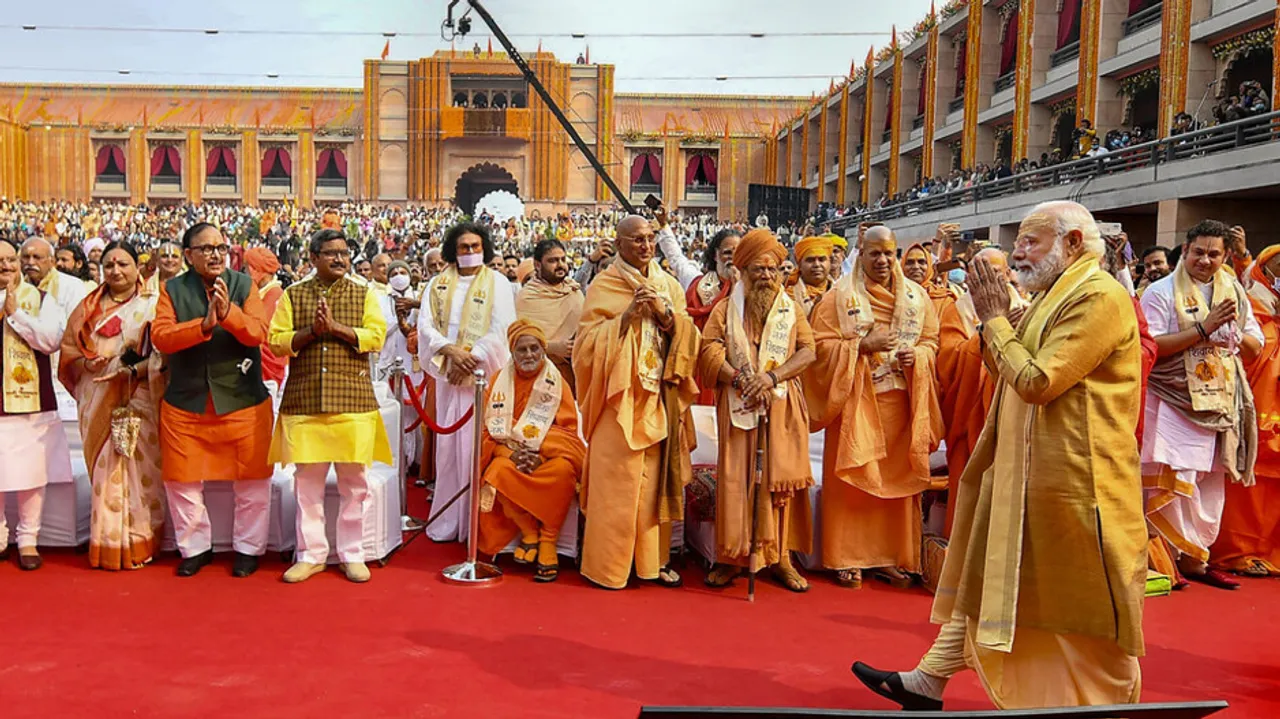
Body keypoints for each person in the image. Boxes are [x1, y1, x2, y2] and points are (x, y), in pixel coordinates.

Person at [852, 200, 1147, 710]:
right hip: (1028, 472)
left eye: (1030, 241)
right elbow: (1009, 363)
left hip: (1079, 481)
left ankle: (1114, 701)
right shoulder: (1054, 295)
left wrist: (993, 322)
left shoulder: (1100, 297)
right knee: (992, 580)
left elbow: (1037, 380)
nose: (1018, 253)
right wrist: (999, 327)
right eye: (1020, 241)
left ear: (1073, 243)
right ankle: (928, 680)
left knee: (1084, 606)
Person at [804, 225, 943, 589]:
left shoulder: (916, 297)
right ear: (860, 255)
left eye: (888, 253)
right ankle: (846, 557)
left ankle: (890, 556)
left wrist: (921, 355)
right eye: (874, 253)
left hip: (900, 401)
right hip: (854, 400)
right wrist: (862, 346)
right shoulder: (838, 298)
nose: (882, 261)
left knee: (895, 481)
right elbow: (819, 348)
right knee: (852, 480)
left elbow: (931, 340)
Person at [574, 214, 700, 589]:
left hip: (658, 395)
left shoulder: (668, 284)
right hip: (619, 399)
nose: (645, 246)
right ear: (619, 245)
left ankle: (650, 562)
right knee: (617, 483)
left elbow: (688, 335)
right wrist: (625, 319)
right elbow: (583, 347)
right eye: (637, 240)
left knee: (651, 484)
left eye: (649, 239)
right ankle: (607, 566)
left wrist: (665, 317)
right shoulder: (604, 284)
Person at [1141, 219, 1262, 590]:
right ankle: (1163, 561)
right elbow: (1152, 347)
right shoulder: (1160, 292)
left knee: (1209, 482)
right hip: (1172, 399)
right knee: (1170, 479)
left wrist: (1235, 335)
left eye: (1214, 254)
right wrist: (1205, 329)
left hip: (1218, 399)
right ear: (1185, 250)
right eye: (1198, 252)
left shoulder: (1235, 293)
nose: (1205, 261)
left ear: (1225, 257)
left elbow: (1256, 343)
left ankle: (1195, 560)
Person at [151, 222, 274, 578]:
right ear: (188, 255)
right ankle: (195, 548)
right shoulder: (171, 290)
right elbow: (162, 337)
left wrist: (228, 314)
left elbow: (258, 333)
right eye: (205, 249)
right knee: (181, 482)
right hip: (186, 404)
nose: (215, 254)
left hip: (242, 400)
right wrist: (203, 326)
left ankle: (249, 549)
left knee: (252, 482)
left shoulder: (243, 284)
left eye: (220, 247)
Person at [268, 229, 391, 584]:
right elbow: (276, 342)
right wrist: (310, 333)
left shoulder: (364, 294)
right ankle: (311, 554)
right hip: (305, 400)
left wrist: (336, 329)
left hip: (352, 401)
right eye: (331, 253)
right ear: (312, 258)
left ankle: (352, 553)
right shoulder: (293, 295)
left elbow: (376, 336)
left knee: (355, 483)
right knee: (307, 485)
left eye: (344, 253)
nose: (340, 259)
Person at [697, 228, 816, 591]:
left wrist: (772, 377)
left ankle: (780, 557)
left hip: (780, 405)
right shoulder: (724, 309)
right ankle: (733, 557)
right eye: (757, 270)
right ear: (742, 272)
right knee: (737, 481)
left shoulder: (790, 308)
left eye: (772, 270)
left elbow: (808, 351)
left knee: (778, 483)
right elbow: (707, 351)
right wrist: (738, 378)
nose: (765, 276)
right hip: (739, 404)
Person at [59, 241, 165, 570]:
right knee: (106, 470)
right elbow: (69, 349)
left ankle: (138, 540)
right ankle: (107, 543)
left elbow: (162, 352)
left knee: (140, 471)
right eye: (109, 266)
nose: (116, 271)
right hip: (96, 394)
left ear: (137, 267)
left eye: (123, 264)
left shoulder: (153, 303)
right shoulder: (89, 305)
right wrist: (88, 365)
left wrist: (132, 369)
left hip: (138, 394)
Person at [417, 222, 516, 542]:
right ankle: (449, 521)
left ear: (484, 249)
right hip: (449, 376)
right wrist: (449, 352)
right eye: (464, 247)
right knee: (449, 450)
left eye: (476, 247)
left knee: (479, 449)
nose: (471, 252)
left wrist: (471, 359)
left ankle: (480, 526)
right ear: (453, 251)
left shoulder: (498, 283)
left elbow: (502, 327)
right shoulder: (438, 284)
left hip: (482, 379)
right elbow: (426, 326)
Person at [476, 320, 586, 582]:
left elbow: (568, 433)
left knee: (563, 471)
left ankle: (549, 540)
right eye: (522, 350)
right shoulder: (497, 381)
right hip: (511, 455)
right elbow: (486, 430)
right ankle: (530, 533)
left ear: (543, 350)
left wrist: (540, 452)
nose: (529, 355)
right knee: (496, 472)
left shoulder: (557, 382)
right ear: (512, 353)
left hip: (547, 458)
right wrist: (509, 453)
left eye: (534, 349)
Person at [936, 248, 1027, 535]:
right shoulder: (957, 309)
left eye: (996, 273)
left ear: (1008, 274)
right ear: (970, 277)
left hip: (1010, 413)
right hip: (970, 413)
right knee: (969, 481)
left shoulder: (1024, 307)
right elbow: (947, 360)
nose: (988, 281)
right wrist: (984, 337)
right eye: (980, 274)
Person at [0, 238, 69, 570]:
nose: (6, 266)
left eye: (11, 259)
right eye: (0, 260)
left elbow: (50, 341)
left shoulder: (43, 300)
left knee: (31, 473)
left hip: (31, 400)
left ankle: (28, 540)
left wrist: (15, 316)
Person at [1214, 244, 1280, 576]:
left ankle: (1272, 550)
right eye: (1278, 267)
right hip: (1256, 412)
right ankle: (1238, 551)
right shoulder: (1253, 307)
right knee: (1249, 488)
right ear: (1263, 272)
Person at [514, 238, 583, 393]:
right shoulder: (527, 296)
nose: (560, 265)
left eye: (563, 259)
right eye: (552, 261)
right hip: (543, 374)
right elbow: (519, 338)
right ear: (538, 265)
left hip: (579, 372)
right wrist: (552, 347)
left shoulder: (574, 291)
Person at [244, 247, 287, 397]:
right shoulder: (264, 293)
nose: (245, 273)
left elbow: (258, 332)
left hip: (268, 371)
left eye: (247, 268)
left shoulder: (274, 295)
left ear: (255, 270)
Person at [901, 241, 957, 318]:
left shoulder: (943, 299)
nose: (916, 267)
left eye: (922, 262)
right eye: (910, 262)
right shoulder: (893, 294)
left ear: (929, 267)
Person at [786, 235, 834, 317]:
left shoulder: (842, 291)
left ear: (830, 262)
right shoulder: (788, 296)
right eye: (810, 260)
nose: (817, 264)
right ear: (799, 265)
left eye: (822, 259)